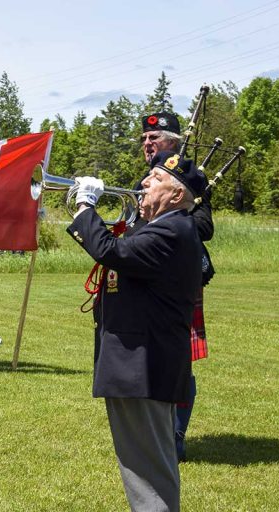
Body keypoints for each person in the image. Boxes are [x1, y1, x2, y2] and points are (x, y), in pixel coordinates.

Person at [67, 150, 206, 512]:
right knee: (148, 469)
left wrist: (85, 206)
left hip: (143, 367)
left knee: (147, 475)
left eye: (155, 179)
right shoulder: (165, 227)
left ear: (177, 195)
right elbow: (123, 249)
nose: (143, 182)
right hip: (141, 367)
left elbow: (112, 252)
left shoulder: (172, 230)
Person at [134, 111, 215, 461]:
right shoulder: (145, 179)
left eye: (154, 138)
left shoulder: (190, 179)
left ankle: (176, 436)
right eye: (144, 139)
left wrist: (167, 222)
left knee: (180, 360)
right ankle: (151, 432)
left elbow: (205, 227)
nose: (147, 143)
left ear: (173, 142)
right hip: (143, 277)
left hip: (175, 277)